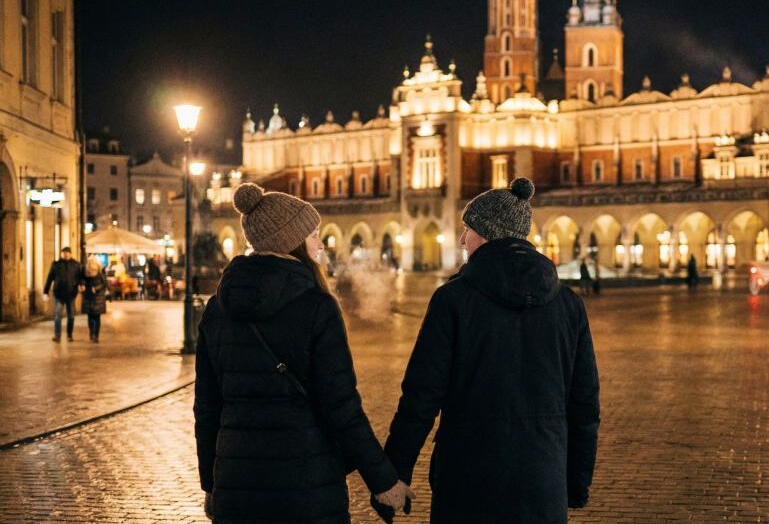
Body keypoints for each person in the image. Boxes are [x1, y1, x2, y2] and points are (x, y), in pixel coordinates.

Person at [385, 178, 600, 523]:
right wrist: (574, 482)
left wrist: (394, 473)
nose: (461, 239)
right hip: (542, 477)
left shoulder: (453, 300)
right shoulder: (568, 304)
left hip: (467, 478)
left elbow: (420, 397)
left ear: (485, 232)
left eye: (467, 229)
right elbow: (584, 405)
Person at [194, 183, 412, 524]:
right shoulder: (316, 307)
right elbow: (341, 406)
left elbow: (207, 410)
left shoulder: (216, 309)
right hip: (306, 483)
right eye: (312, 235)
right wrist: (383, 480)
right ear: (290, 242)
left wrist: (211, 484)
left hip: (236, 485)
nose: (320, 244)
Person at [44, 246, 83, 342]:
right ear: (61, 254)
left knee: (71, 316)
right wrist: (45, 292)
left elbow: (80, 277)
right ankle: (57, 336)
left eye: (67, 253)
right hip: (59, 294)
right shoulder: (56, 264)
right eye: (63, 253)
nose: (65, 254)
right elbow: (49, 278)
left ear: (70, 254)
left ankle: (69, 335)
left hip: (71, 294)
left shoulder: (76, 265)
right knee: (58, 315)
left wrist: (81, 285)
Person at [81, 257, 108, 343]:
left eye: (93, 263)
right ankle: (91, 333)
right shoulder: (85, 274)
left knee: (96, 317)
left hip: (98, 298)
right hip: (88, 297)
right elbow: (82, 281)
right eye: (90, 263)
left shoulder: (100, 274)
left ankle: (96, 335)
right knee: (90, 317)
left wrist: (96, 288)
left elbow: (104, 284)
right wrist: (82, 285)